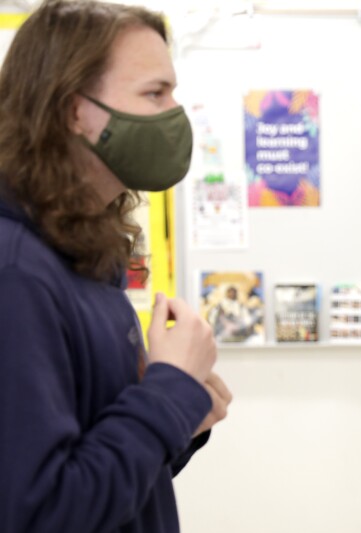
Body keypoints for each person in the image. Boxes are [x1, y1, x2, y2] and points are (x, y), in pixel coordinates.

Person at [0, 1, 232, 531]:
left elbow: (104, 479)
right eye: (155, 93)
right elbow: (42, 514)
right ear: (72, 110)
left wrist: (180, 417)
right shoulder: (16, 275)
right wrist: (170, 388)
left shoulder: (81, 256)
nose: (176, 114)